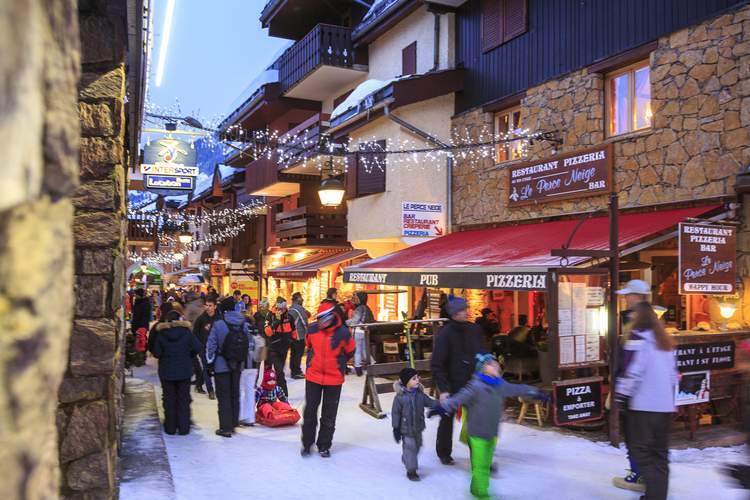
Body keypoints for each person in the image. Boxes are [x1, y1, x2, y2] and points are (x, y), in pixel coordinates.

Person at [429, 354, 547, 499]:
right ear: (483, 368)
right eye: (492, 364)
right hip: (477, 434)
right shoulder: (475, 386)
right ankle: (481, 494)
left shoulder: (500, 385)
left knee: (484, 465)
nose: (496, 365)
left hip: (492, 433)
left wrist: (535, 392)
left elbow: (516, 388)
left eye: (496, 363)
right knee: (481, 467)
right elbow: (458, 399)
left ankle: (475, 489)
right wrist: (441, 408)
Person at [615, 301, 677, 500]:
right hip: (665, 406)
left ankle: (654, 493)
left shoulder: (638, 338)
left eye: (633, 315)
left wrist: (621, 396)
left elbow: (633, 371)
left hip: (643, 405)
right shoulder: (665, 341)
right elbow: (673, 375)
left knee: (639, 450)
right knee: (660, 454)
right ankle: (657, 495)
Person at [430, 295, 485, 465]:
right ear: (453, 314)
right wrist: (444, 389)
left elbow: (482, 354)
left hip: (473, 384)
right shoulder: (445, 334)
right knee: (447, 419)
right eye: (462, 310)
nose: (466, 312)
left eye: (466, 309)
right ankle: (444, 452)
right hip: (452, 384)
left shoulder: (474, 330)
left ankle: (480, 456)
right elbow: (437, 363)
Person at [612, 279, 652, 493]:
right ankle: (640, 471)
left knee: (633, 434)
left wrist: (622, 391)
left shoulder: (640, 324)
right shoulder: (645, 321)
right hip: (640, 390)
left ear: (637, 296)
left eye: (628, 295)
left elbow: (632, 362)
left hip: (634, 391)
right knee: (637, 434)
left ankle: (638, 473)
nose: (626, 298)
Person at [301, 303, 355, 458]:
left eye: (323, 319)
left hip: (334, 379)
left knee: (329, 415)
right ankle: (307, 444)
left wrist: (339, 363)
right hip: (313, 376)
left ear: (331, 317)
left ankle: (324, 445)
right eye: (318, 319)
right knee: (310, 412)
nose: (320, 322)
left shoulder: (343, 333)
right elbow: (308, 344)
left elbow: (350, 350)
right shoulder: (312, 329)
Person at [206, 300, 254, 438]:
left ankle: (225, 428)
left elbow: (211, 346)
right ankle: (233, 423)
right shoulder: (243, 324)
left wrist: (210, 363)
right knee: (235, 393)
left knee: (223, 396)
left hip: (221, 365)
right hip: (238, 364)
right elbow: (249, 344)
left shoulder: (218, 324)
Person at [151, 309, 202, 435]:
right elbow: (197, 347)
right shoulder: (186, 332)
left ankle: (170, 427)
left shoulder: (162, 334)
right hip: (184, 371)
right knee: (183, 399)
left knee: (169, 399)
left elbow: (157, 353)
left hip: (167, 371)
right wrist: (188, 356)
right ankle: (184, 427)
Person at [392, 367, 439, 481]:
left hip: (418, 427)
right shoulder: (400, 397)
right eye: (414, 378)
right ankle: (411, 471)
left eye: (418, 377)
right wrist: (396, 428)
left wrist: (439, 404)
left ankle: (407, 458)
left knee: (418, 445)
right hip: (406, 429)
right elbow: (395, 413)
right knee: (410, 448)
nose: (417, 380)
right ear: (406, 382)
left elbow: (430, 402)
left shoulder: (420, 395)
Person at [192, 296, 221, 399]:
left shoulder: (219, 318)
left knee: (216, 369)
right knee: (206, 369)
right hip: (204, 348)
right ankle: (211, 390)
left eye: (210, 306)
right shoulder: (201, 319)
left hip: (217, 349)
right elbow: (194, 333)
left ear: (215, 306)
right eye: (206, 305)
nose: (208, 308)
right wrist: (199, 347)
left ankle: (199, 384)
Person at [266, 297, 295, 396]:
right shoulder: (270, 315)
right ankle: (284, 395)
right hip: (274, 348)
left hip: (284, 348)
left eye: (284, 307)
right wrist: (277, 321)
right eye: (280, 307)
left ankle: (276, 392)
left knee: (279, 373)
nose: (282, 310)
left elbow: (294, 332)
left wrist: (292, 342)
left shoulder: (289, 316)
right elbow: (267, 332)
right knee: (279, 373)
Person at [346, 291, 375, 376]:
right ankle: (373, 365)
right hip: (365, 331)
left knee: (357, 350)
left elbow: (355, 321)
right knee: (365, 350)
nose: (354, 299)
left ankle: (358, 369)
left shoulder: (359, 308)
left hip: (358, 331)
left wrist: (345, 322)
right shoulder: (367, 308)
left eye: (356, 297)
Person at [288, 292, 310, 380]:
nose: (303, 299)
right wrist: (308, 332)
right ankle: (296, 372)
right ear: (298, 299)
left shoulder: (291, 308)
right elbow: (304, 321)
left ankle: (293, 370)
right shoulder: (299, 308)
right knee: (298, 354)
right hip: (299, 335)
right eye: (301, 298)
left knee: (293, 353)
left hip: (292, 335)